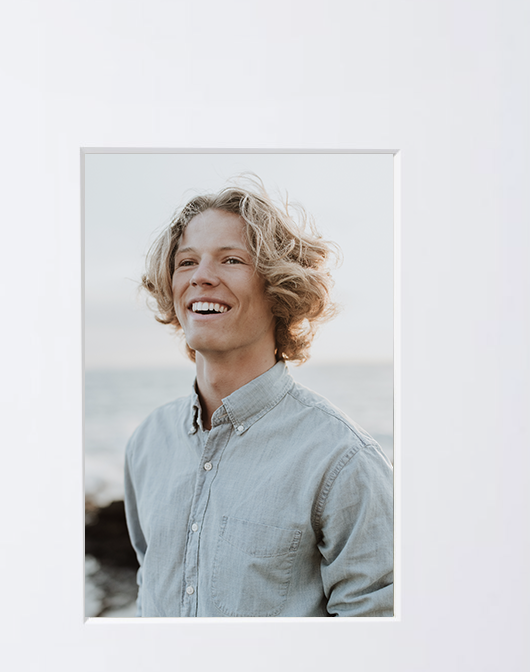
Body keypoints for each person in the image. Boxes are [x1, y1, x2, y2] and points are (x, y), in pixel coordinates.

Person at [123, 178, 393, 617]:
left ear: (279, 286)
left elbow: (373, 645)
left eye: (231, 259)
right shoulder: (147, 443)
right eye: (186, 261)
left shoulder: (343, 461)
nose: (201, 277)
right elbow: (147, 590)